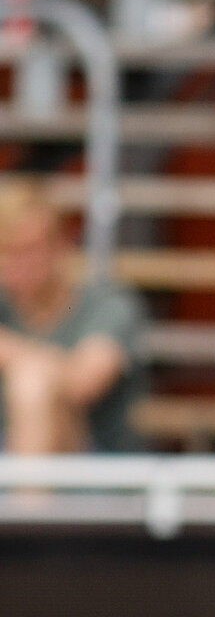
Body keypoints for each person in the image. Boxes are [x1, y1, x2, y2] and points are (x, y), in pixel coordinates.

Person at [0, 180, 144, 453]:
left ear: (61, 246)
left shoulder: (108, 305)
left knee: (31, 385)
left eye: (30, 249)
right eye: (8, 252)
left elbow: (84, 382)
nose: (20, 264)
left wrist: (8, 350)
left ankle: (26, 498)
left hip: (91, 470)